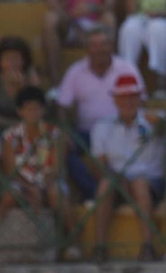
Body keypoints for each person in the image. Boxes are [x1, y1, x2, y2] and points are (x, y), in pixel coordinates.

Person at [55, 26, 143, 198]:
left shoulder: (127, 67)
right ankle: (94, 192)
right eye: (93, 45)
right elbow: (62, 105)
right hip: (87, 133)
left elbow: (142, 99)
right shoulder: (75, 71)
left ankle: (111, 194)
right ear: (86, 49)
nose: (99, 49)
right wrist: (64, 130)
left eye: (103, 44)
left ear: (112, 46)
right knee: (62, 146)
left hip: (119, 130)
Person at [90, 72, 166, 262]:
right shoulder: (102, 126)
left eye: (133, 96)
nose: (128, 101)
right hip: (118, 180)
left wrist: (160, 125)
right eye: (123, 96)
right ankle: (100, 247)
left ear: (140, 98)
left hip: (151, 181)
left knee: (140, 184)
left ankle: (148, 246)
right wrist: (118, 180)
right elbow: (99, 165)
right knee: (105, 185)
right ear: (115, 99)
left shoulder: (154, 119)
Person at [0, 85, 74, 259]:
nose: (34, 113)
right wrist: (28, 187)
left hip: (47, 182)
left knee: (56, 192)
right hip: (22, 183)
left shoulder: (55, 134)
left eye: (37, 109)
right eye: (29, 109)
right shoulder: (10, 136)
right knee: (11, 193)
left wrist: (39, 186)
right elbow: (10, 170)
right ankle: (1, 244)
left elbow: (56, 169)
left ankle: (71, 241)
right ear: (20, 111)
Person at [118, 0, 166, 98]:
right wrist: (146, 15)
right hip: (141, 19)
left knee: (156, 28)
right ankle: (128, 79)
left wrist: (158, 14)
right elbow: (130, 9)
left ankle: (161, 82)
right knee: (129, 28)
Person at [43, 0, 115, 80]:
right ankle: (54, 84)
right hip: (69, 23)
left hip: (96, 23)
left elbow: (110, 6)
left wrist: (92, 8)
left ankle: (109, 77)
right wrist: (68, 15)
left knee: (109, 18)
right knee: (50, 18)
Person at [0, 36, 42, 131]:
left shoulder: (30, 75)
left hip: (27, 128)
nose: (11, 63)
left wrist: (22, 89)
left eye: (16, 58)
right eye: (7, 58)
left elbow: (34, 113)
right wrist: (12, 128)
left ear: (24, 61)